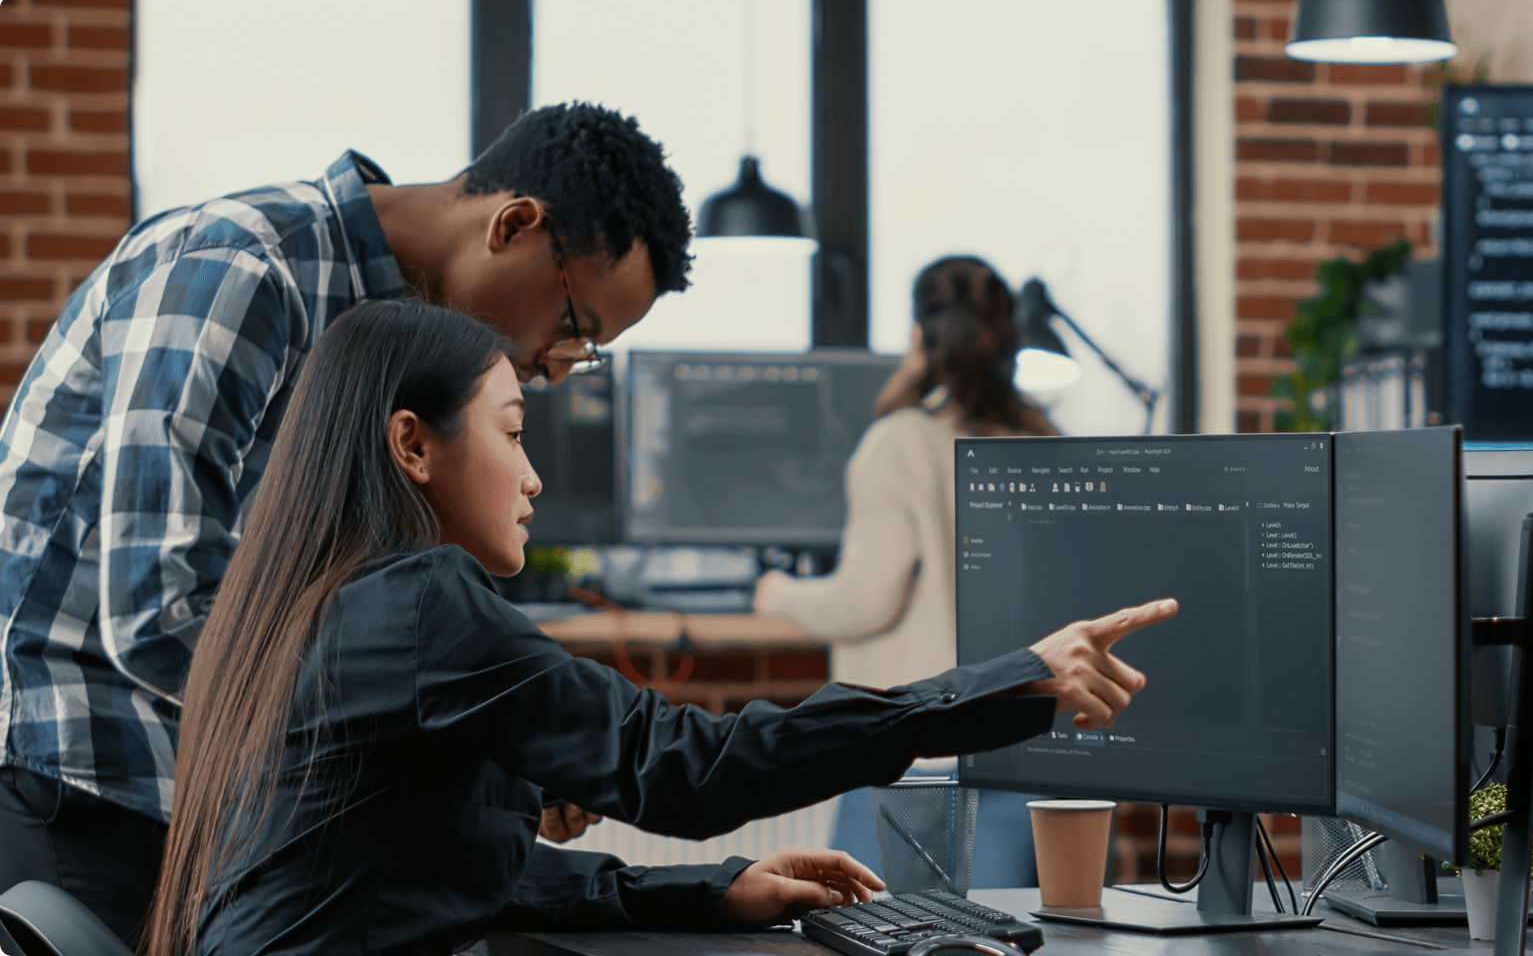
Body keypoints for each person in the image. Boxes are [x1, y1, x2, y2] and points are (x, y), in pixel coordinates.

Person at [140, 299, 1171, 956]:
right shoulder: (422, 603)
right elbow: (689, 766)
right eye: (511, 434)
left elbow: (445, 872)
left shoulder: (303, 602)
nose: (535, 476)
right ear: (412, 446)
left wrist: (716, 893)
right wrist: (1012, 681)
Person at [0, 102, 691, 943]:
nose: (553, 367)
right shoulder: (246, 267)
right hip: (88, 772)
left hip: (203, 777)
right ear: (514, 226)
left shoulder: (397, 355)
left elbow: (359, 632)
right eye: (572, 326)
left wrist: (487, 751)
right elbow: (158, 607)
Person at [752, 256, 1058, 886]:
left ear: (920, 338)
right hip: (1026, 752)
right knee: (1015, 940)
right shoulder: (1050, 445)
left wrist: (779, 594)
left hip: (918, 764)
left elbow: (868, 598)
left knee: (882, 931)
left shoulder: (900, 441)